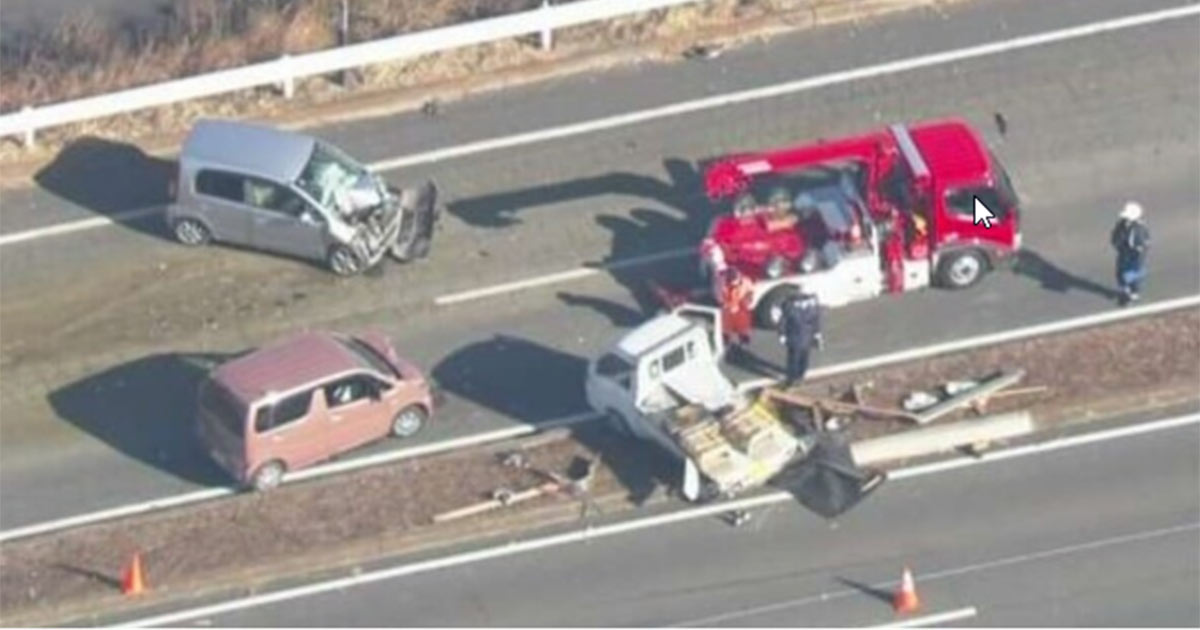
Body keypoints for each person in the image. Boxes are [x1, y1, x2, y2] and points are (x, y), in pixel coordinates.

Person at [1110, 201, 1150, 306]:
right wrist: (1117, 244)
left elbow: (1142, 245)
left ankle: (1131, 294)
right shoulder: (1121, 224)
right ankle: (1126, 291)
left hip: (1133, 256)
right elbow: (1115, 236)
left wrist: (1137, 253)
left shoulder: (1139, 229)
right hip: (1124, 253)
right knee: (1120, 273)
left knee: (1130, 275)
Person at [779, 292, 823, 386]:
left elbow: (816, 321)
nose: (803, 303)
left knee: (804, 358)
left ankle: (800, 375)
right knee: (794, 359)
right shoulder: (790, 309)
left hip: (807, 337)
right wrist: (782, 334)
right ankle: (792, 378)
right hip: (794, 337)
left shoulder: (812, 309)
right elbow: (783, 322)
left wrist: (817, 333)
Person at [719, 267, 754, 348]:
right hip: (727, 307)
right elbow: (718, 295)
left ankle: (744, 340)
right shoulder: (721, 282)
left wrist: (747, 300)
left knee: (743, 325)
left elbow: (750, 292)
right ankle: (726, 340)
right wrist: (725, 304)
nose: (732, 283)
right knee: (726, 325)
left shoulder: (746, 281)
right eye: (730, 281)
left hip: (741, 306)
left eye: (735, 280)